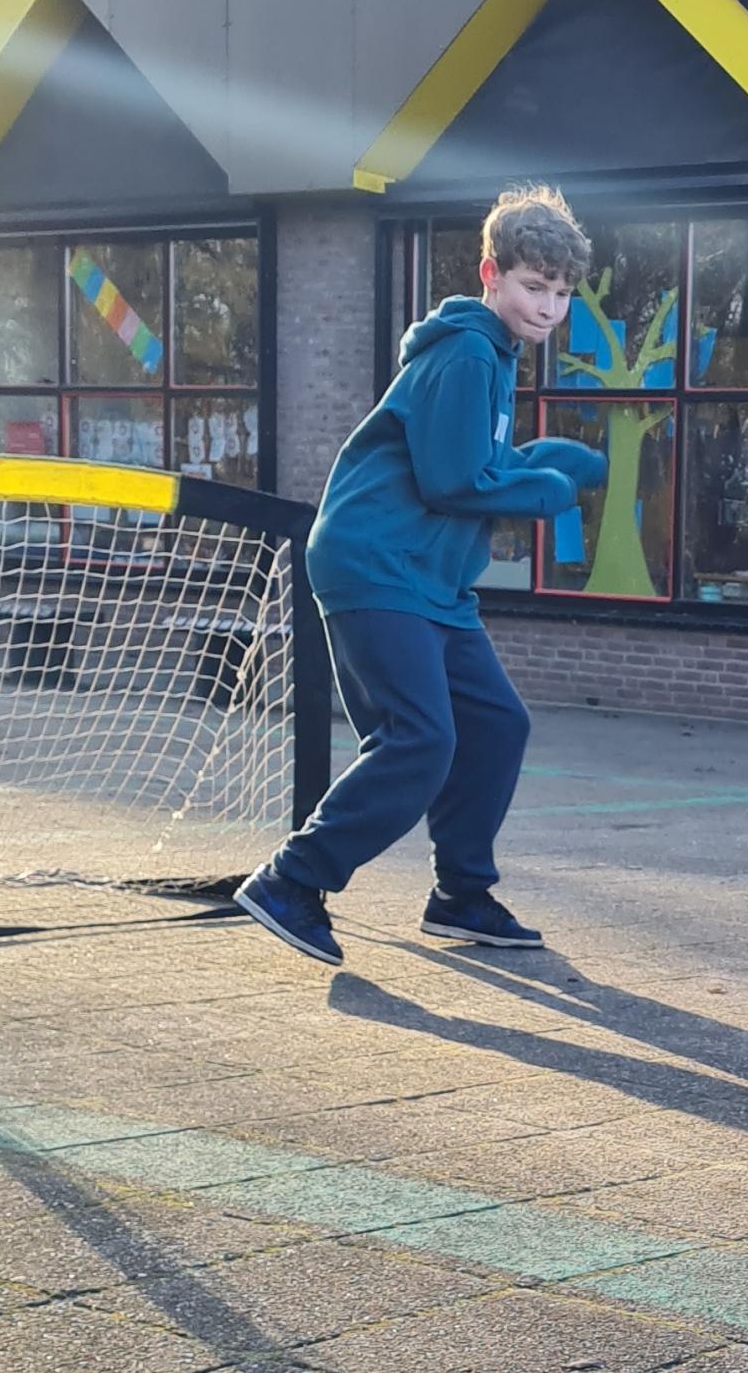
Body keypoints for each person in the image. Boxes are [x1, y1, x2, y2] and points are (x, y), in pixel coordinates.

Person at [232, 186, 607, 966]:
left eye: (562, 293)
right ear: (491, 275)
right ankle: (292, 881)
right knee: (420, 740)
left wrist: (538, 460)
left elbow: (475, 462)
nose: (548, 307)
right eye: (534, 287)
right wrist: (544, 489)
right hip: (376, 563)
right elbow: (450, 480)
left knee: (498, 725)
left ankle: (459, 895)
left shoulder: (495, 356)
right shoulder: (467, 350)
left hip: (434, 580)